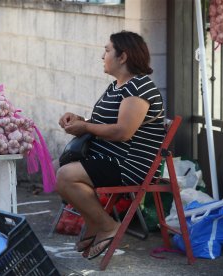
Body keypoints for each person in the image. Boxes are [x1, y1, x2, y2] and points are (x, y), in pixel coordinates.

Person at [55, 30, 165, 260]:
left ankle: (106, 225)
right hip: (108, 158)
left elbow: (123, 132)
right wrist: (79, 120)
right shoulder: (117, 86)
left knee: (66, 176)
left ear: (122, 57)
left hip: (129, 164)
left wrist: (85, 128)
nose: (102, 56)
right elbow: (102, 123)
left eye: (106, 50)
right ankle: (96, 223)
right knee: (61, 169)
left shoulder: (139, 89)